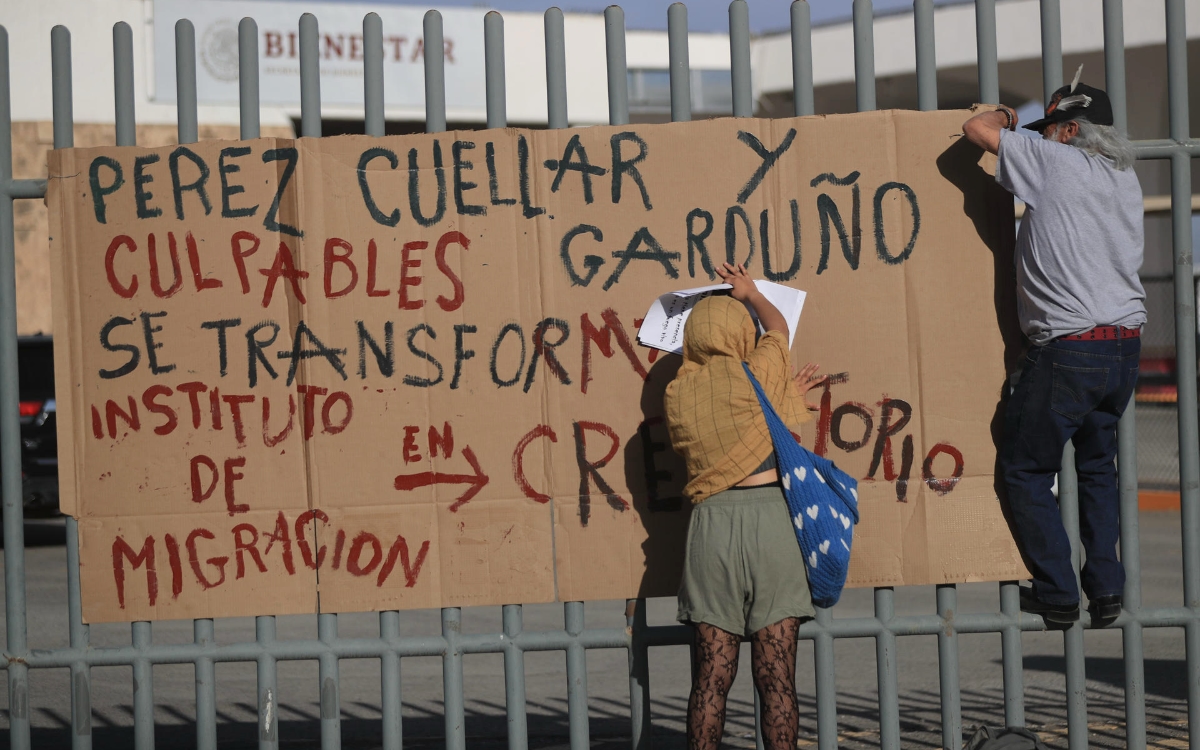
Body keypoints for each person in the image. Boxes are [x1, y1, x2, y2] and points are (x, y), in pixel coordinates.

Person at [962, 79, 1145, 626]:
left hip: (1071, 347)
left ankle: (1057, 592)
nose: (1046, 139)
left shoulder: (1056, 163)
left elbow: (978, 131)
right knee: (1096, 467)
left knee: (1024, 467)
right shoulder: (1124, 178)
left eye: (1052, 129)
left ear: (1070, 129)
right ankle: (1107, 589)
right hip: (1123, 347)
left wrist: (1005, 116)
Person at [664, 261, 824, 750]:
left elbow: (729, 424)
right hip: (772, 523)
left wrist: (781, 399)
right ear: (738, 335)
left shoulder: (677, 394)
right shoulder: (758, 371)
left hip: (711, 527)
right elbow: (777, 327)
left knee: (711, 679)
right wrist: (751, 293)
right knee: (777, 680)